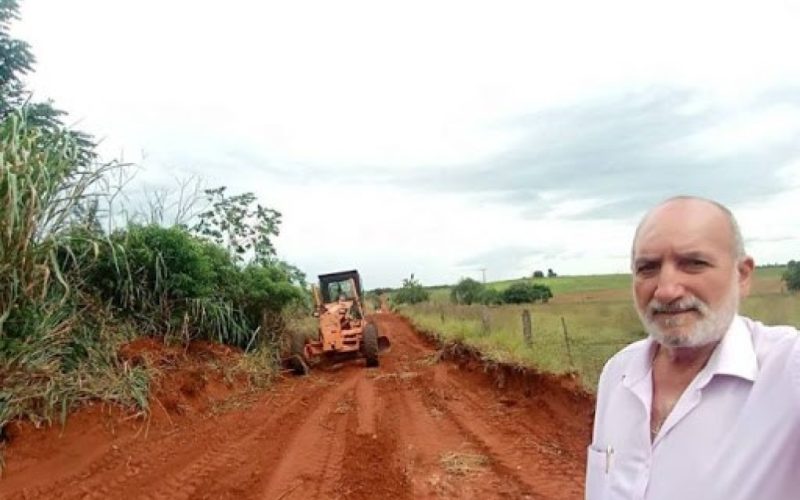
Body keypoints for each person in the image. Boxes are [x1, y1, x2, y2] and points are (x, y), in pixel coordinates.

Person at [586, 196, 799, 500]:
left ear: (742, 275)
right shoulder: (617, 373)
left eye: (694, 263)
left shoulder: (787, 369)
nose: (666, 290)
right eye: (647, 268)